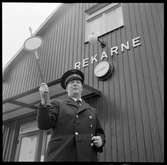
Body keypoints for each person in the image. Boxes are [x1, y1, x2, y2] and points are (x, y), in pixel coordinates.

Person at [37, 69, 105, 161]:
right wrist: (44, 101)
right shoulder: (58, 104)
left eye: (78, 82)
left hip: (87, 157)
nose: (75, 84)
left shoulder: (92, 110)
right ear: (66, 88)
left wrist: (101, 141)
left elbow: (99, 132)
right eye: (71, 82)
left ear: (82, 87)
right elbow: (44, 125)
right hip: (62, 157)